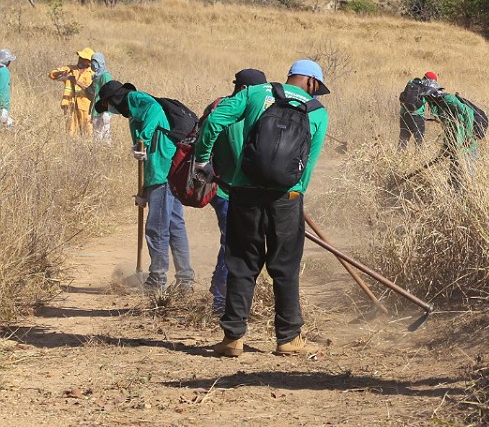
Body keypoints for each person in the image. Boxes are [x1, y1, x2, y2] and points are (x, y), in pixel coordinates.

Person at [192, 60, 330, 358]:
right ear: (310, 82)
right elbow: (308, 167)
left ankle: (232, 338)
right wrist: (294, 192)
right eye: (317, 87)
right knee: (285, 266)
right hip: (286, 198)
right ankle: (288, 337)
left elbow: (215, 121)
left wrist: (203, 160)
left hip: (244, 191)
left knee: (242, 262)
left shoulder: (256, 93)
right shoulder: (318, 112)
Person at [94, 80, 195, 294]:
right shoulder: (131, 109)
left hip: (162, 170)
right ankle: (185, 280)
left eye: (107, 105)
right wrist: (144, 193)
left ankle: (157, 280)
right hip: (164, 170)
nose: (109, 110)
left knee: (156, 227)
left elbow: (154, 110)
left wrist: (143, 140)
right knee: (174, 224)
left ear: (113, 99)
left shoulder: (135, 99)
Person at [202, 68, 269, 315]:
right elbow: (238, 154)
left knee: (232, 243)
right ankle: (221, 300)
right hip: (231, 191)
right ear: (245, 90)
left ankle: (221, 292)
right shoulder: (233, 113)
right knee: (234, 245)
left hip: (228, 189)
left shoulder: (222, 107)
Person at [407, 72, 478, 191]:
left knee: (466, 181)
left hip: (466, 148)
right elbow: (450, 129)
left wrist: (467, 138)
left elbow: (468, 113)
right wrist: (445, 148)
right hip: (455, 148)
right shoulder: (436, 105)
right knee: (455, 180)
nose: (426, 98)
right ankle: (457, 204)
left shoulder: (447, 99)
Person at [48, 48, 95, 138]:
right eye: (80, 57)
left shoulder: (92, 74)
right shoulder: (70, 69)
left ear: (89, 61)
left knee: (88, 132)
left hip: (86, 106)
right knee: (70, 132)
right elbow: (51, 74)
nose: (80, 59)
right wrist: (61, 73)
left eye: (83, 58)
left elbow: (92, 90)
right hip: (70, 105)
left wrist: (76, 82)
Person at [88, 52, 114, 143]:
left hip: (104, 110)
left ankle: (106, 153)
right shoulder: (95, 77)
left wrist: (106, 111)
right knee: (96, 134)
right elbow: (90, 91)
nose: (93, 64)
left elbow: (110, 92)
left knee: (105, 134)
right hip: (96, 109)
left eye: (95, 61)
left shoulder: (105, 76)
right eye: (92, 61)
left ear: (101, 63)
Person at [0, 49, 13, 128]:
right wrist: (3, 107)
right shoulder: (4, 71)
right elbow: (3, 90)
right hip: (2, 106)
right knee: (9, 127)